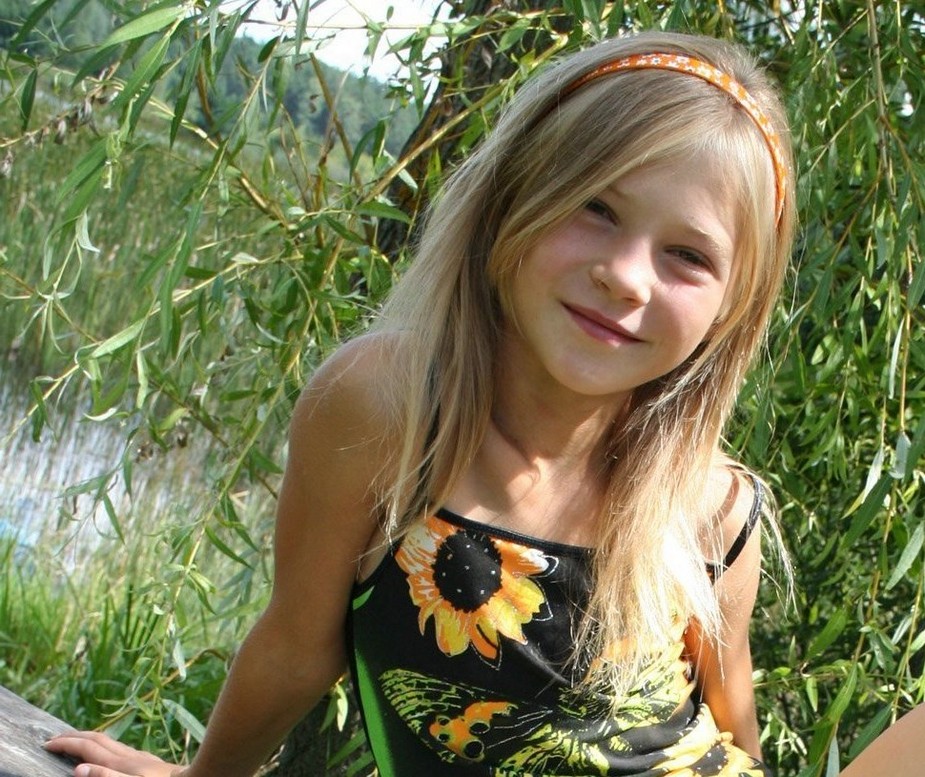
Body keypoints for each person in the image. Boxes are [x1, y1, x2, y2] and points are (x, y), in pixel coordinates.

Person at [42, 28, 838, 776]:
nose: (626, 276)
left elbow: (734, 734)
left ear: (731, 308)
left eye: (687, 255)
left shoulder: (708, 506)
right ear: (510, 196)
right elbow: (296, 646)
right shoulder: (385, 408)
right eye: (596, 207)